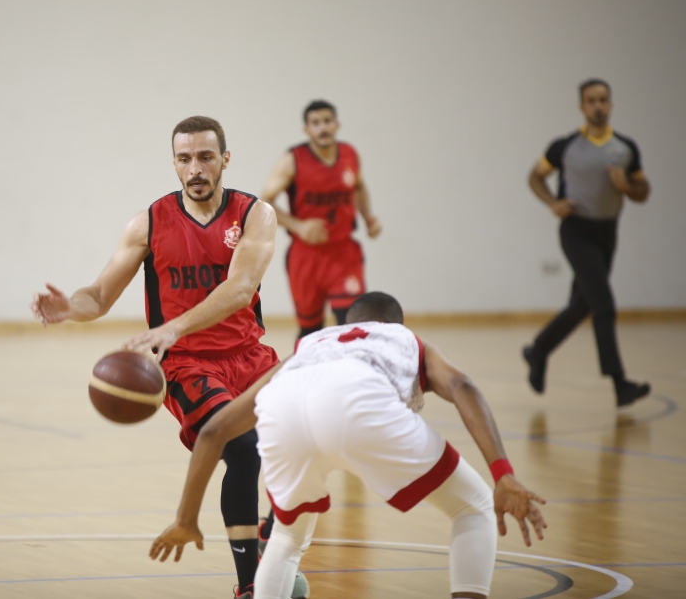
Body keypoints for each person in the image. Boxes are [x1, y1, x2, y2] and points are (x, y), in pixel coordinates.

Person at [31, 116, 296, 599]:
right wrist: (72, 306)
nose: (195, 168)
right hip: (187, 364)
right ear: (174, 164)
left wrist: (171, 324)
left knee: (299, 437)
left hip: (251, 355)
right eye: (184, 158)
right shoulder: (148, 223)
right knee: (241, 447)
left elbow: (240, 290)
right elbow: (100, 294)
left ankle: (271, 528)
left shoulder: (254, 214)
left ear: (225, 160)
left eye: (205, 157)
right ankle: (249, 586)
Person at [151, 292, 547, 599]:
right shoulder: (403, 337)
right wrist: (503, 474)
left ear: (347, 323)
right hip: (361, 399)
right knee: (472, 506)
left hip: (286, 408)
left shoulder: (311, 346)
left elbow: (213, 432)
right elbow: (462, 386)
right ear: (393, 323)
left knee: (287, 539)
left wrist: (186, 519)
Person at [524, 79, 651, 407]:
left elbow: (643, 191)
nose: (598, 105)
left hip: (607, 232)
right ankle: (620, 384)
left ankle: (538, 351)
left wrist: (627, 187)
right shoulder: (565, 147)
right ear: (582, 107)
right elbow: (535, 177)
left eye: (603, 100)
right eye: (591, 100)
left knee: (582, 304)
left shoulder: (625, 149)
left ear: (611, 104)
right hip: (575, 231)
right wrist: (553, 203)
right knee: (603, 305)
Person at [261, 100, 381, 346]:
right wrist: (298, 226)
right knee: (310, 329)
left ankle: (349, 378)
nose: (323, 128)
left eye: (327, 121)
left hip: (343, 252)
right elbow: (266, 201)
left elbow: (359, 187)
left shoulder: (349, 155)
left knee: (351, 323)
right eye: (316, 123)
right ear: (306, 130)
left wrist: (368, 217)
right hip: (307, 256)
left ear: (337, 125)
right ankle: (308, 378)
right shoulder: (293, 159)